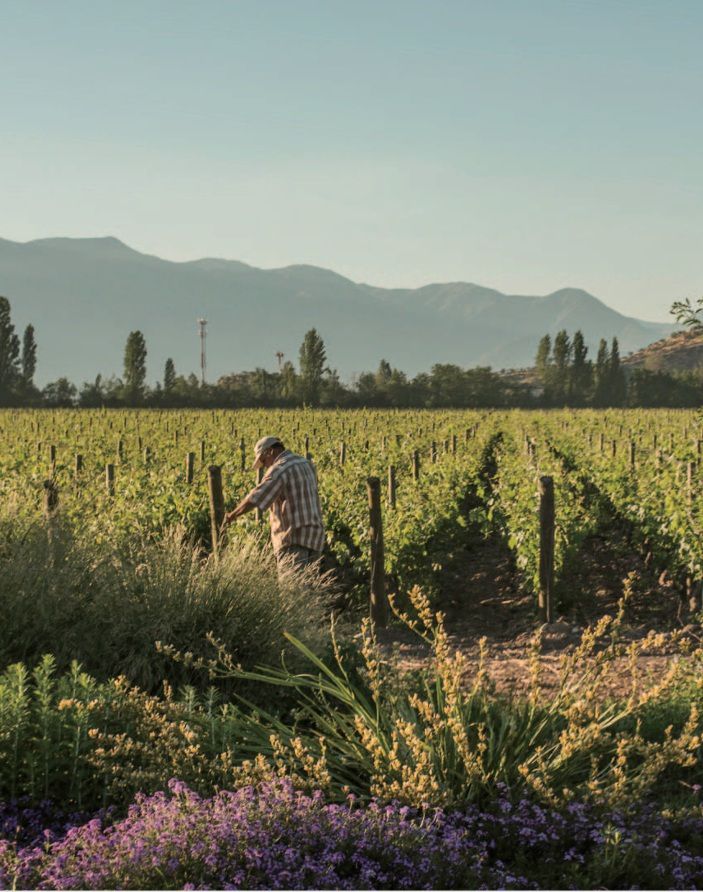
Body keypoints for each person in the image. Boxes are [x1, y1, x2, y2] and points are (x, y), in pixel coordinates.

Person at [224, 436, 325, 573]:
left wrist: (232, 515)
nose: (265, 466)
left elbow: (256, 497)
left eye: (263, 461)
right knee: (310, 592)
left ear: (270, 451)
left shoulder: (279, 469)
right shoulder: (306, 464)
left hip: (292, 539)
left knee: (293, 592)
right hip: (315, 538)